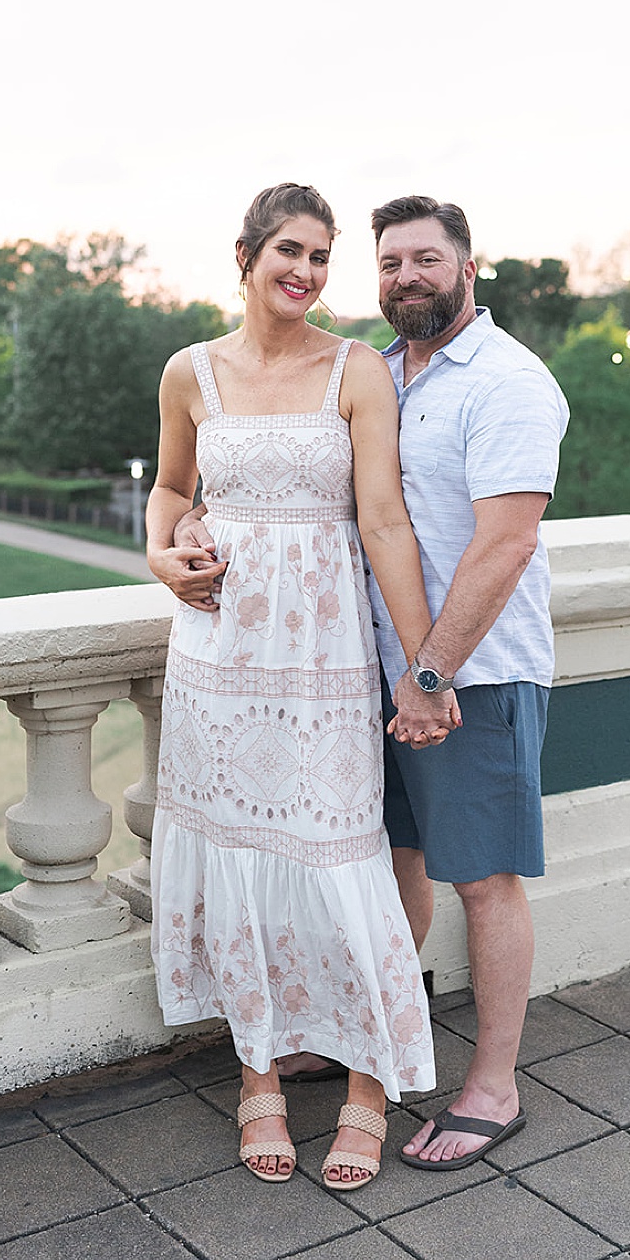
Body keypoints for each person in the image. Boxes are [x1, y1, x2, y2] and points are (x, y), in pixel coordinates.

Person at [145, 182, 437, 1190]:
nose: (307, 274)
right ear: (245, 254)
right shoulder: (190, 372)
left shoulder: (356, 372)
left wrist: (422, 665)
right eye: (289, 252)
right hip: (216, 658)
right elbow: (173, 489)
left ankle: (368, 1084)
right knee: (237, 854)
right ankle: (257, 1068)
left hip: (320, 660)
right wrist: (160, 553)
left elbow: (385, 521)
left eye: (320, 257)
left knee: (338, 852)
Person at [369, 194, 570, 1170]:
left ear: (468, 267)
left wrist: (431, 670)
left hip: (471, 677)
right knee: (396, 864)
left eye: (424, 259)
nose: (406, 276)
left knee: (483, 882)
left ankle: (494, 1085)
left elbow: (506, 543)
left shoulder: (508, 381)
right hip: (384, 674)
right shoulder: (381, 373)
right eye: (390, 262)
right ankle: (384, 1048)